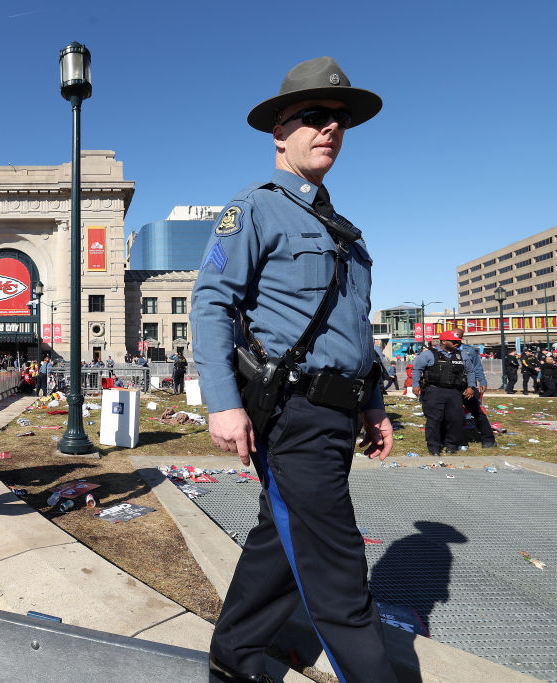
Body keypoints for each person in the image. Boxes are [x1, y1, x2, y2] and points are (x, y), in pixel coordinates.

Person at [190, 57, 395, 683]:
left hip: (336, 413)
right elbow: (211, 301)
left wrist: (373, 401)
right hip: (292, 411)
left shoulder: (347, 234)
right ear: (279, 133)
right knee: (337, 567)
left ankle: (236, 647)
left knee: (283, 537)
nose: (330, 129)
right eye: (313, 117)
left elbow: (353, 329)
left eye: (339, 120)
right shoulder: (252, 210)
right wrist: (222, 402)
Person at [412, 330, 476, 456]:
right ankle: (434, 447)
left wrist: (471, 386)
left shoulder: (462, 355)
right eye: (454, 342)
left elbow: (470, 371)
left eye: (458, 342)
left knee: (456, 418)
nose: (457, 344)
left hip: (455, 392)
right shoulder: (429, 354)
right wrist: (415, 385)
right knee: (434, 419)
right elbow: (417, 369)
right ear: (443, 342)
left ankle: (451, 445)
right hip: (434, 390)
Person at [454, 330, 495, 448]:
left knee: (478, 413)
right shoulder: (445, 350)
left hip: (469, 386)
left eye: (458, 337)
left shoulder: (469, 350)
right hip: (453, 387)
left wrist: (482, 381)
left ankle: (488, 439)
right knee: (453, 414)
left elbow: (477, 367)